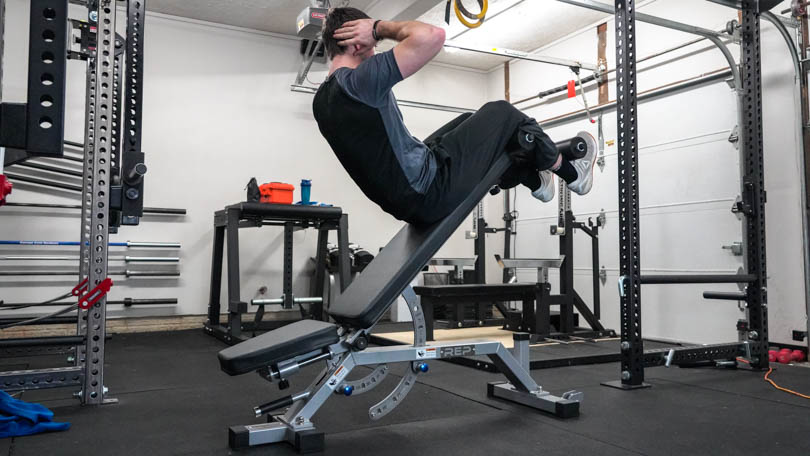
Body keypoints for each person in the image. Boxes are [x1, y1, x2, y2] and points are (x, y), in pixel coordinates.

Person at [313, 7, 596, 225]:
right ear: (357, 44)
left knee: (469, 120)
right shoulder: (358, 82)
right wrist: (377, 28)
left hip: (407, 196)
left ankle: (536, 182)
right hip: (428, 191)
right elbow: (432, 37)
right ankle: (570, 173)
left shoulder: (322, 101)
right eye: (371, 43)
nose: (376, 49)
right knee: (503, 113)